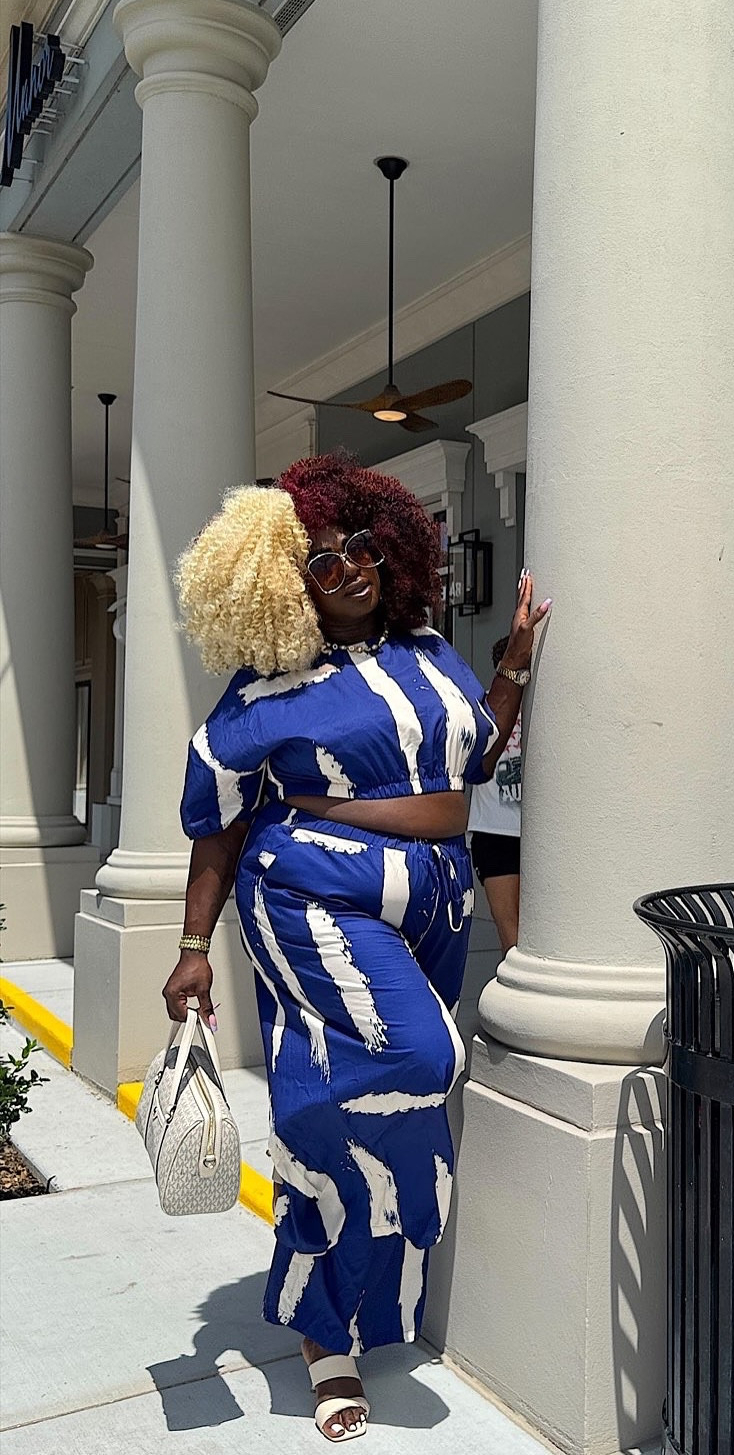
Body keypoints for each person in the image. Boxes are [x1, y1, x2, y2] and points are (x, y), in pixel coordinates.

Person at [161, 453, 549, 1444]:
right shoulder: (263, 695)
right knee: (425, 1058)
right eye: (322, 562)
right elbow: (218, 823)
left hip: (436, 902)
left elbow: (472, 760)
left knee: (374, 1109)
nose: (351, 568)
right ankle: (327, 1310)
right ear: (287, 585)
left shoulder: (428, 653)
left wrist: (507, 671)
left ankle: (330, 1321)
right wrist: (194, 943)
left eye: (363, 546)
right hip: (311, 893)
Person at [467, 634, 522, 953]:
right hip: (494, 831)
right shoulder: (484, 708)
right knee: (511, 933)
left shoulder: (547, 709)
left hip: (537, 833)